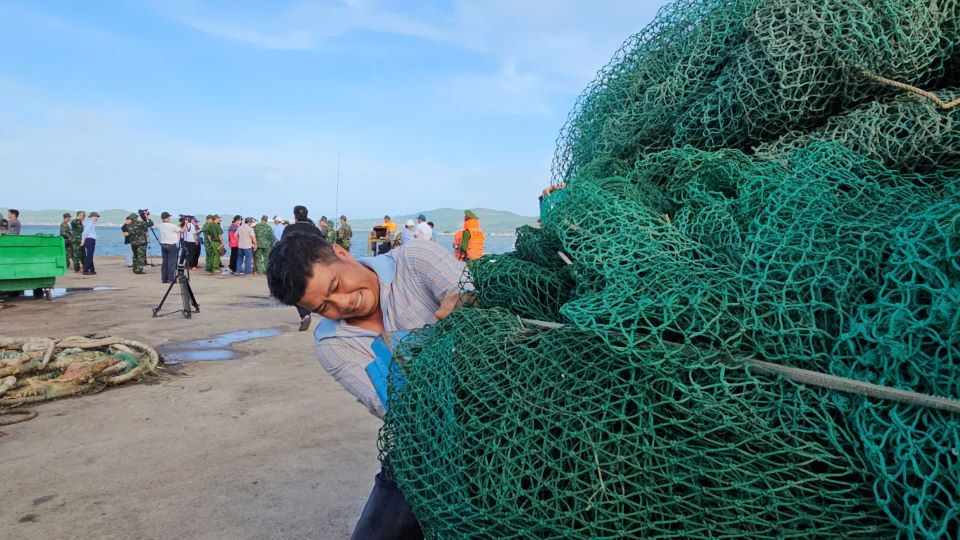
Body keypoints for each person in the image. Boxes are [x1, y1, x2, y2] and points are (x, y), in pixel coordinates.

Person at [266, 234, 471, 539]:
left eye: (336, 286)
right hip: (421, 443)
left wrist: (466, 303)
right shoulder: (332, 344)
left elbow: (467, 293)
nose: (343, 303)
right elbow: (392, 407)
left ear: (341, 253)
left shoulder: (414, 259)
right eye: (325, 306)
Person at [281, 205, 321, 331]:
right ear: (307, 214)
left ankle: (305, 314)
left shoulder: (289, 229)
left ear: (295, 215)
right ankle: (308, 311)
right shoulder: (314, 230)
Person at [155, 212, 180, 283]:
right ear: (168, 217)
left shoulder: (160, 225)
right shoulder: (172, 225)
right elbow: (181, 230)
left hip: (163, 245)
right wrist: (186, 223)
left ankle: (164, 279)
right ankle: (171, 279)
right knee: (171, 263)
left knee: (165, 263)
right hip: (172, 245)